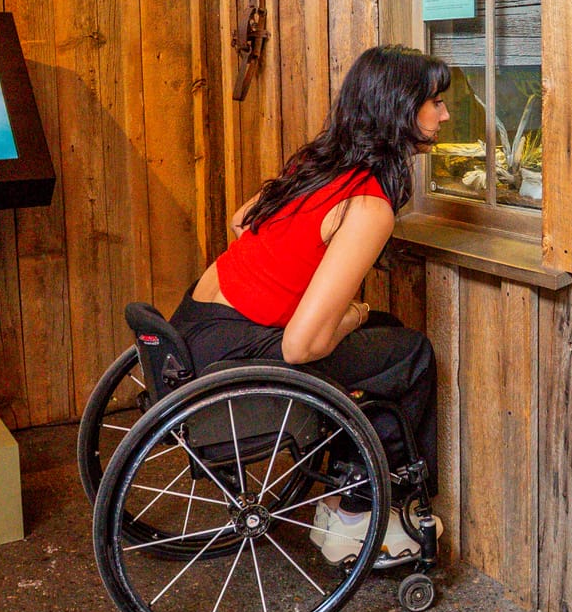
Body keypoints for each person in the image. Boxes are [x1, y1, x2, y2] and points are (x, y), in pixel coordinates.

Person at [169, 44, 449, 566]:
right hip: (238, 355)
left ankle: (342, 498)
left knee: (383, 334)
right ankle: (358, 514)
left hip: (193, 326)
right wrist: (353, 314)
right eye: (434, 101)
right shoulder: (367, 205)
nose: (445, 114)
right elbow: (301, 346)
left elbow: (239, 219)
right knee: (408, 355)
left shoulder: (316, 162)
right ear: (398, 108)